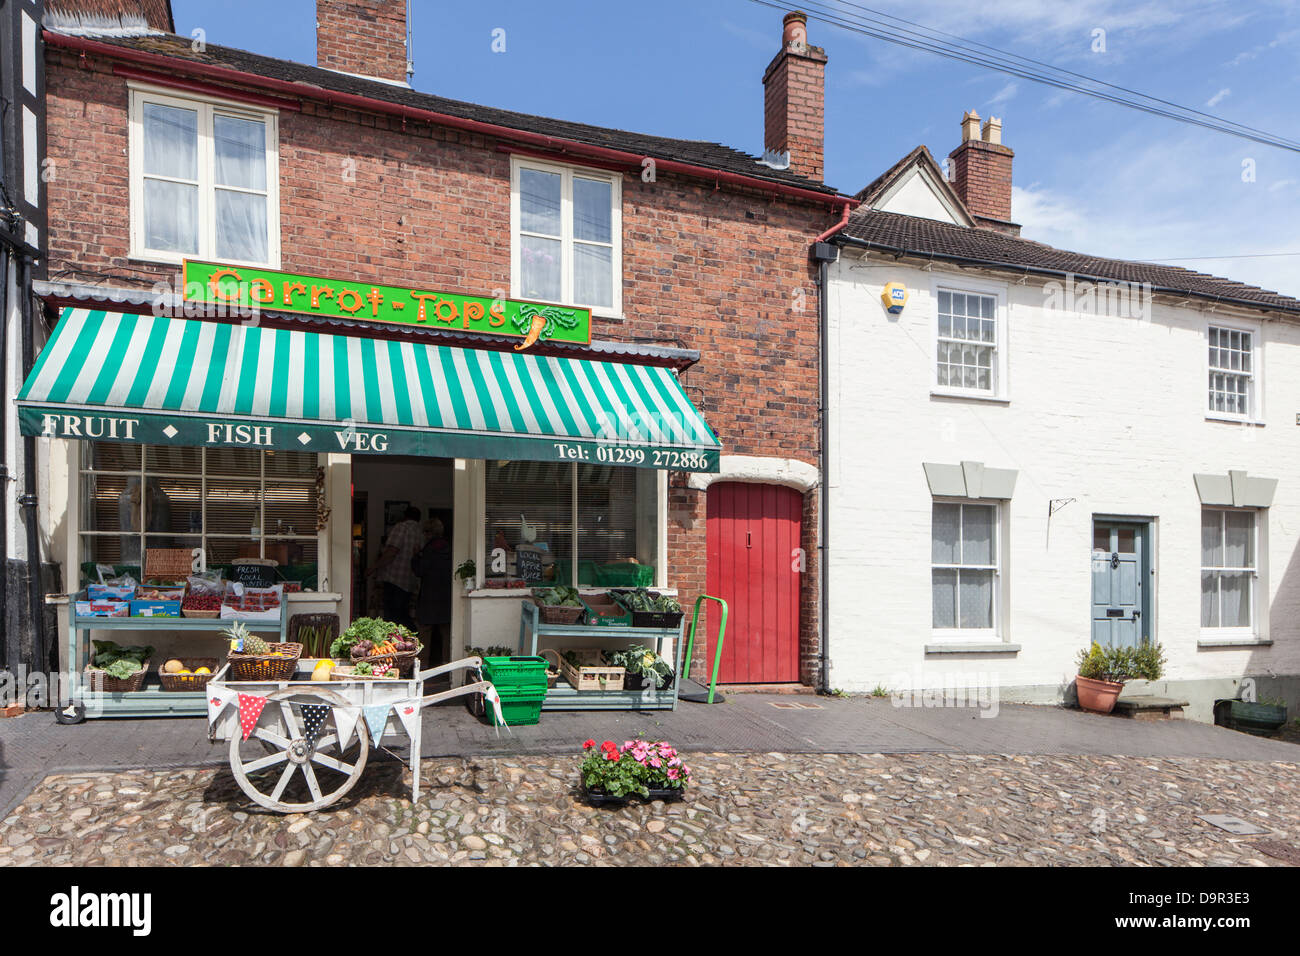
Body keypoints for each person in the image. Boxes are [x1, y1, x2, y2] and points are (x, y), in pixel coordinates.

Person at [368, 506, 422, 629]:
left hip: (394, 579)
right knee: (402, 613)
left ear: (405, 516)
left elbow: (392, 552)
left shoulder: (401, 527)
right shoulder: (421, 532)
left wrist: (373, 568)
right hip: (410, 581)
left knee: (392, 616)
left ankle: (397, 642)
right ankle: (409, 639)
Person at [412, 518, 453, 668]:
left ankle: (422, 666)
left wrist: (415, 556)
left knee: (425, 631)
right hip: (447, 595)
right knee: (446, 632)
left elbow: (419, 570)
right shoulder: (449, 548)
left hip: (430, 595)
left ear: (429, 533)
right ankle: (447, 664)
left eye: (425, 532)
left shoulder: (428, 549)